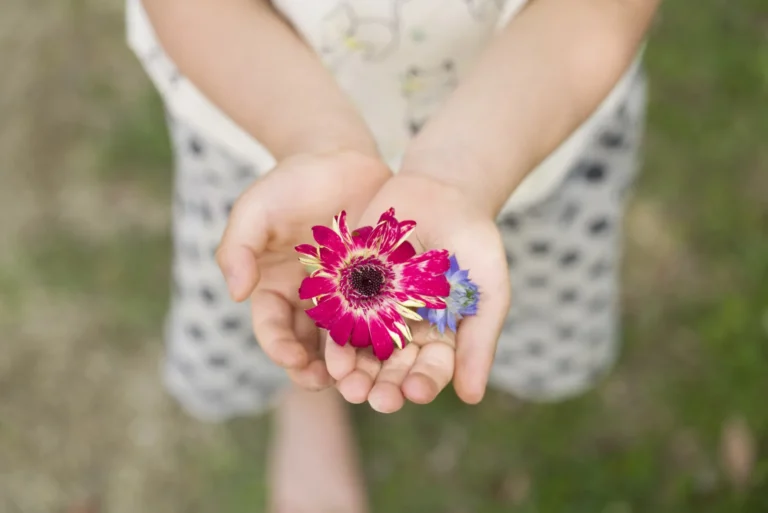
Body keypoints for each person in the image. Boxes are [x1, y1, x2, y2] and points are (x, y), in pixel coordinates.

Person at [126, 0, 661, 510]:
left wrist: (462, 174)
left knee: (534, 308)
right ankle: (307, 394)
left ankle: (324, 374)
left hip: (531, 132)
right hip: (261, 124)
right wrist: (315, 141)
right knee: (291, 319)